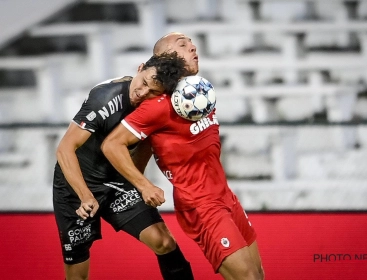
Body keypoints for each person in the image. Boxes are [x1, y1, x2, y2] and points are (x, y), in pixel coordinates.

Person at [101, 32, 265, 280]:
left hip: (225, 196)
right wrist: (144, 186)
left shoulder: (198, 92)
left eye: (191, 43)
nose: (192, 47)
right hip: (201, 205)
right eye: (182, 44)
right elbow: (112, 145)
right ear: (165, 58)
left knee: (259, 276)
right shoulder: (155, 106)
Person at [53, 51, 194, 280]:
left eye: (152, 92)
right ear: (139, 68)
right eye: (144, 83)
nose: (142, 92)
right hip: (75, 184)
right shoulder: (104, 97)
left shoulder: (155, 107)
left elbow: (146, 145)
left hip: (115, 181)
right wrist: (85, 196)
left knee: (165, 242)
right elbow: (64, 149)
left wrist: (136, 184)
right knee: (77, 273)